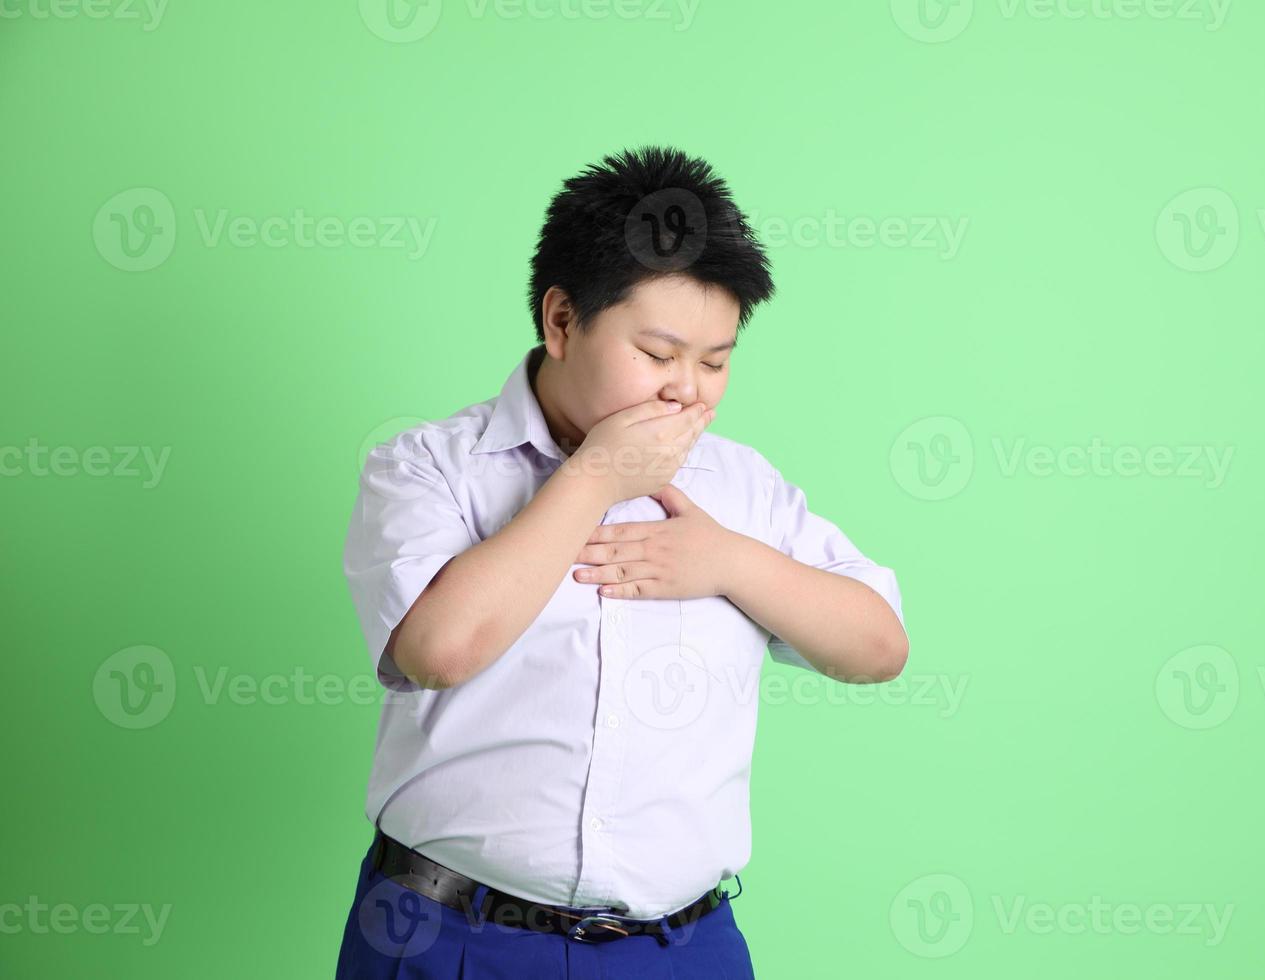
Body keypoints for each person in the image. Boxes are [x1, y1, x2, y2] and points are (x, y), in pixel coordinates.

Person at [335, 145, 909, 978]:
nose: (691, 389)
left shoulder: (741, 488)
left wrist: (729, 563)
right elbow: (437, 650)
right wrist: (597, 475)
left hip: (680, 948)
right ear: (561, 320)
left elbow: (879, 647)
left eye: (717, 361)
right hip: (446, 932)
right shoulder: (428, 467)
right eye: (660, 354)